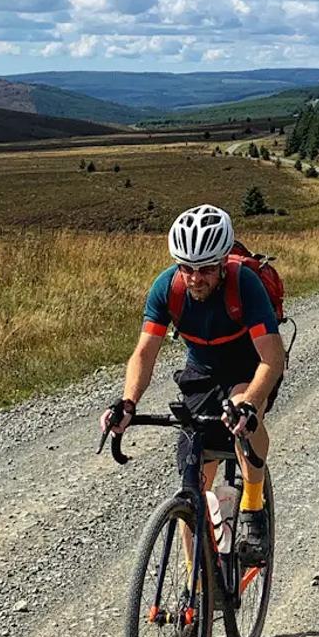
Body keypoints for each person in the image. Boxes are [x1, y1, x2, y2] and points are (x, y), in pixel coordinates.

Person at [102, 203, 284, 562]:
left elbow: (272, 357)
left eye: (204, 269)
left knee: (242, 416)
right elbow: (144, 353)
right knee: (193, 487)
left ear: (221, 263)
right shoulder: (166, 288)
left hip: (250, 364)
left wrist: (249, 402)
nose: (195, 278)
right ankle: (197, 587)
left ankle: (252, 506)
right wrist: (127, 403)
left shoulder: (244, 285)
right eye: (187, 268)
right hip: (201, 368)